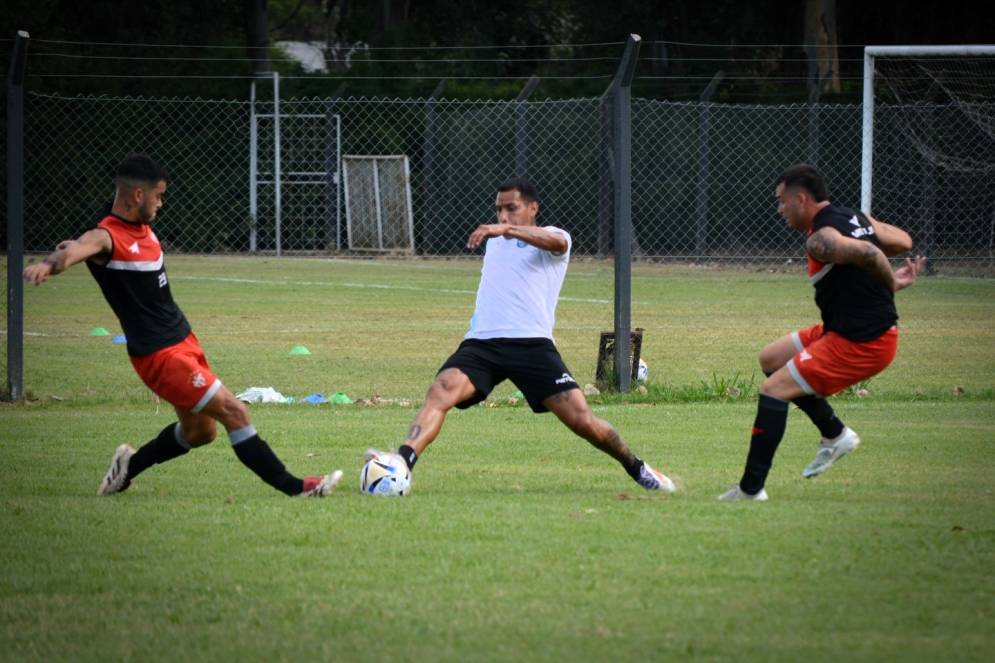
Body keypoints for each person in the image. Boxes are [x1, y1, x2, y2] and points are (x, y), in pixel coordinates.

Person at [23, 154, 342, 497]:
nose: (162, 202)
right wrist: (48, 265)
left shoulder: (141, 229)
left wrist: (70, 250)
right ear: (136, 196)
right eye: (158, 195)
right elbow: (74, 252)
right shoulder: (105, 237)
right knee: (235, 411)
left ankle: (128, 467)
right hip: (159, 356)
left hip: (184, 341)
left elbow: (77, 247)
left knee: (201, 433)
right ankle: (296, 487)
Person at [366, 177, 677, 493]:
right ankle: (402, 463)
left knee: (583, 421)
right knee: (441, 390)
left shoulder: (554, 238)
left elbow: (557, 244)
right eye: (499, 209)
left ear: (533, 208)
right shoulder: (495, 242)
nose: (503, 216)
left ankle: (637, 468)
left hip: (532, 346)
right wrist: (502, 233)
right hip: (482, 343)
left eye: (511, 208)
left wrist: (507, 230)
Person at [719, 163, 926, 501]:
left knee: (773, 391)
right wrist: (867, 243)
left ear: (801, 199)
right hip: (843, 328)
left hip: (863, 341)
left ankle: (750, 489)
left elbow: (870, 252)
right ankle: (835, 434)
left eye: (782, 201)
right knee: (771, 359)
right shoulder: (855, 217)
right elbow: (901, 240)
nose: (779, 209)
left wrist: (892, 282)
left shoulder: (821, 240)